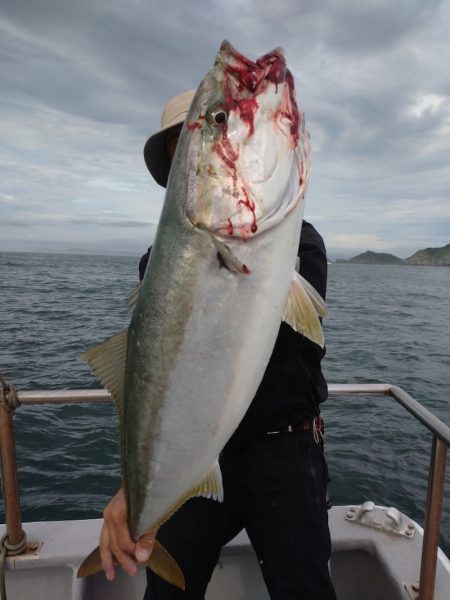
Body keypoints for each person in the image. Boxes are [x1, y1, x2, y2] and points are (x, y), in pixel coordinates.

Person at [100, 91, 337, 600]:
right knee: (166, 596)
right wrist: (134, 488)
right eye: (180, 151)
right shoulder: (153, 270)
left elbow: (295, 338)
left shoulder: (300, 246)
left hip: (284, 453)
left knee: (305, 591)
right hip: (201, 454)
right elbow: (159, 383)